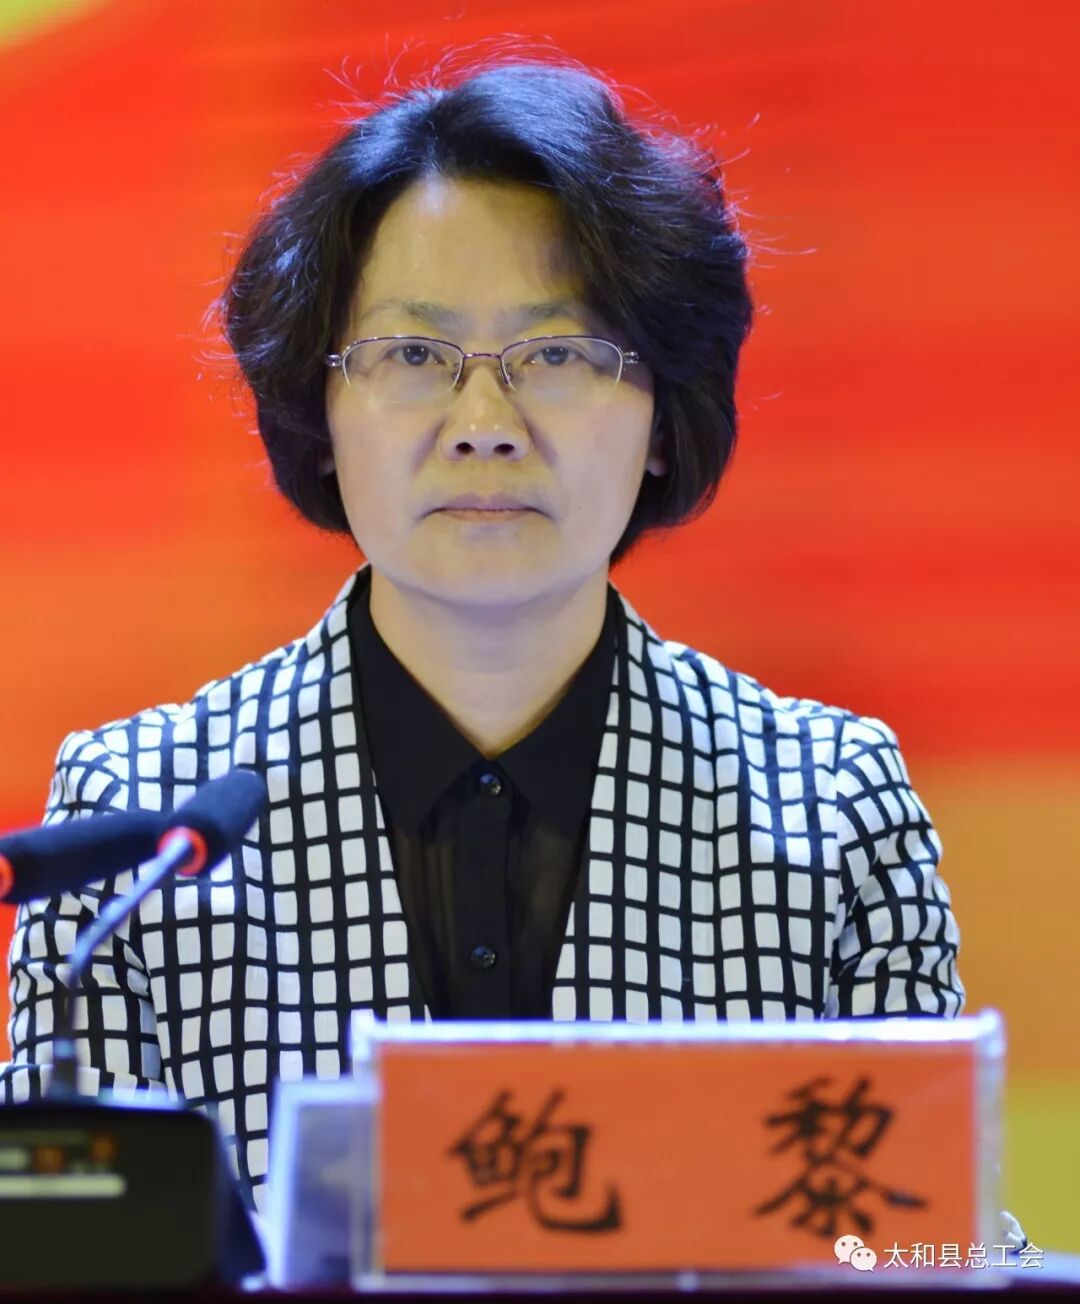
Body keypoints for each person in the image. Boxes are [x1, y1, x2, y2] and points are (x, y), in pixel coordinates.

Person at [1, 56, 965, 1219]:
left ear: (663, 419)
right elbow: (65, 1244)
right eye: (414, 355)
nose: (484, 425)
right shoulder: (146, 826)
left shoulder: (831, 805)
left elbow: (927, 1237)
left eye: (556, 354)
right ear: (321, 417)